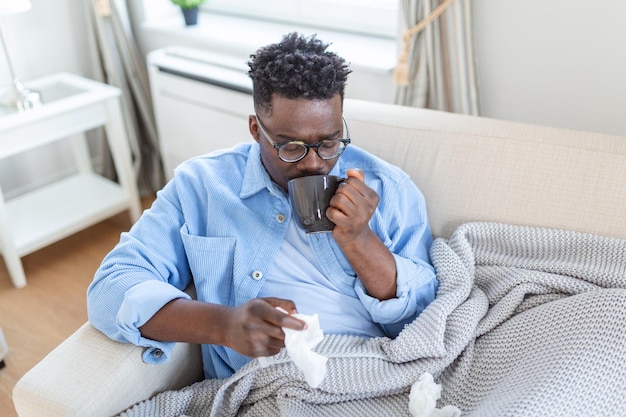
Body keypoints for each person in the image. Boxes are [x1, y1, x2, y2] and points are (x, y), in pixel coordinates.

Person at [87, 32, 437, 380]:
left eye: (329, 142)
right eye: (291, 147)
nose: (314, 164)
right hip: (260, 384)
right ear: (256, 129)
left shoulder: (388, 188)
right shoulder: (202, 185)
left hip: (371, 371)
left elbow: (423, 319)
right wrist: (223, 325)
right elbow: (109, 289)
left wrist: (360, 241)